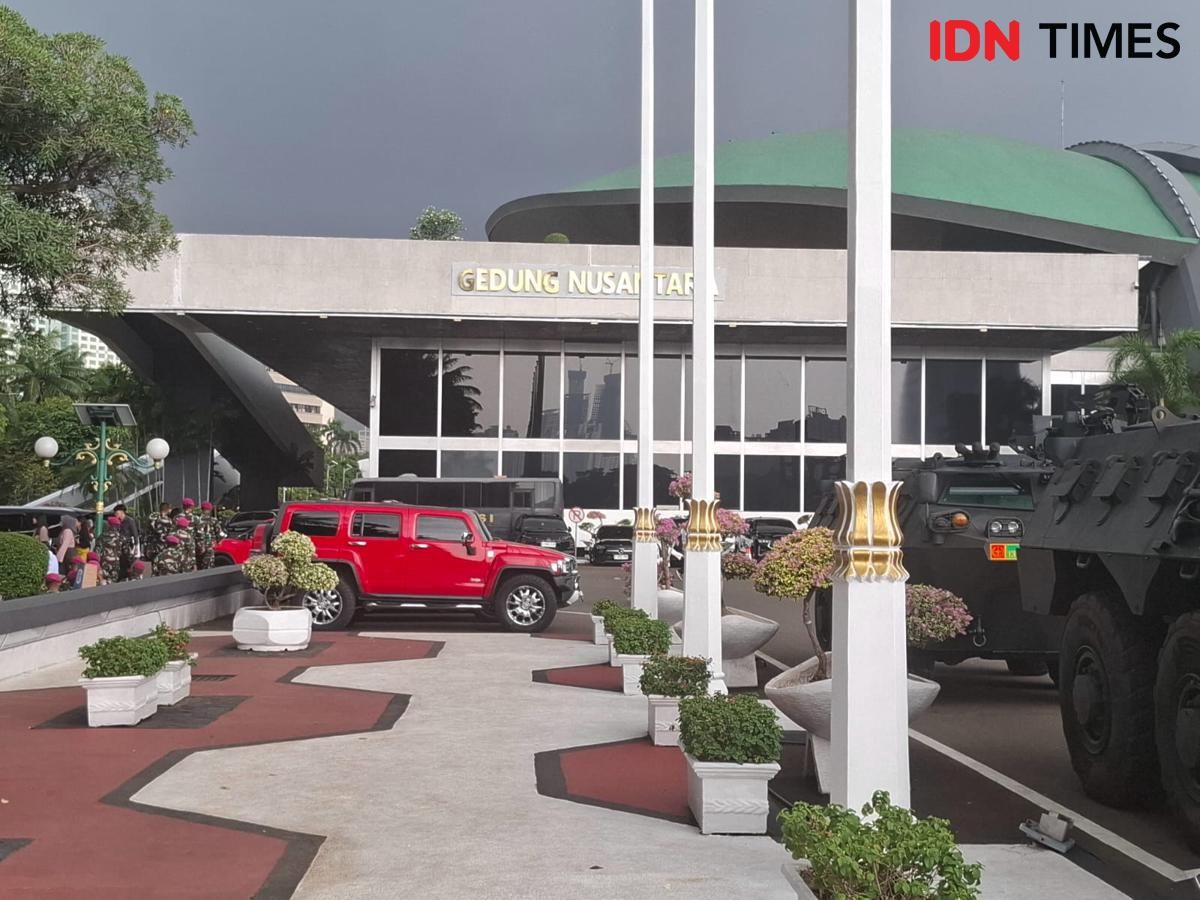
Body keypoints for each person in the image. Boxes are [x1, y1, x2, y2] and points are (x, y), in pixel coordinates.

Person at [95, 516, 128, 584]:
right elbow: (126, 553)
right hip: (116, 564)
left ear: (109, 525)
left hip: (104, 563)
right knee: (113, 583)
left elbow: (97, 552)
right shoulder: (121, 537)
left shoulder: (101, 537)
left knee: (103, 582)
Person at [195, 501, 220, 569]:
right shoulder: (213, 520)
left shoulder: (197, 520)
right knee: (209, 566)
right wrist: (216, 542)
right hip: (210, 546)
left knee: (199, 566)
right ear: (210, 509)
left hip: (198, 546)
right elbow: (219, 533)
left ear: (202, 509)